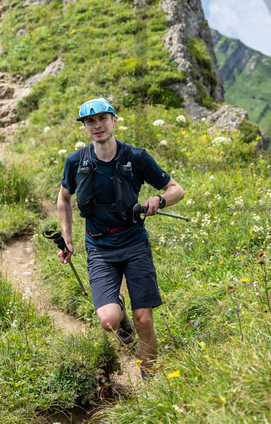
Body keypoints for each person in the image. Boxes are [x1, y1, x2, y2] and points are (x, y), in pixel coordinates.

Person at [55, 97, 184, 379]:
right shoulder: (75, 161)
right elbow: (63, 198)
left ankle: (149, 380)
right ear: (84, 127)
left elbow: (176, 189)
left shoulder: (136, 157)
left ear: (114, 120)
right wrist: (68, 240)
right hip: (99, 247)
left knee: (144, 319)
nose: (97, 125)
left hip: (134, 243)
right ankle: (120, 314)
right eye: (90, 121)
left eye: (102, 118)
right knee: (108, 321)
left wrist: (159, 200)